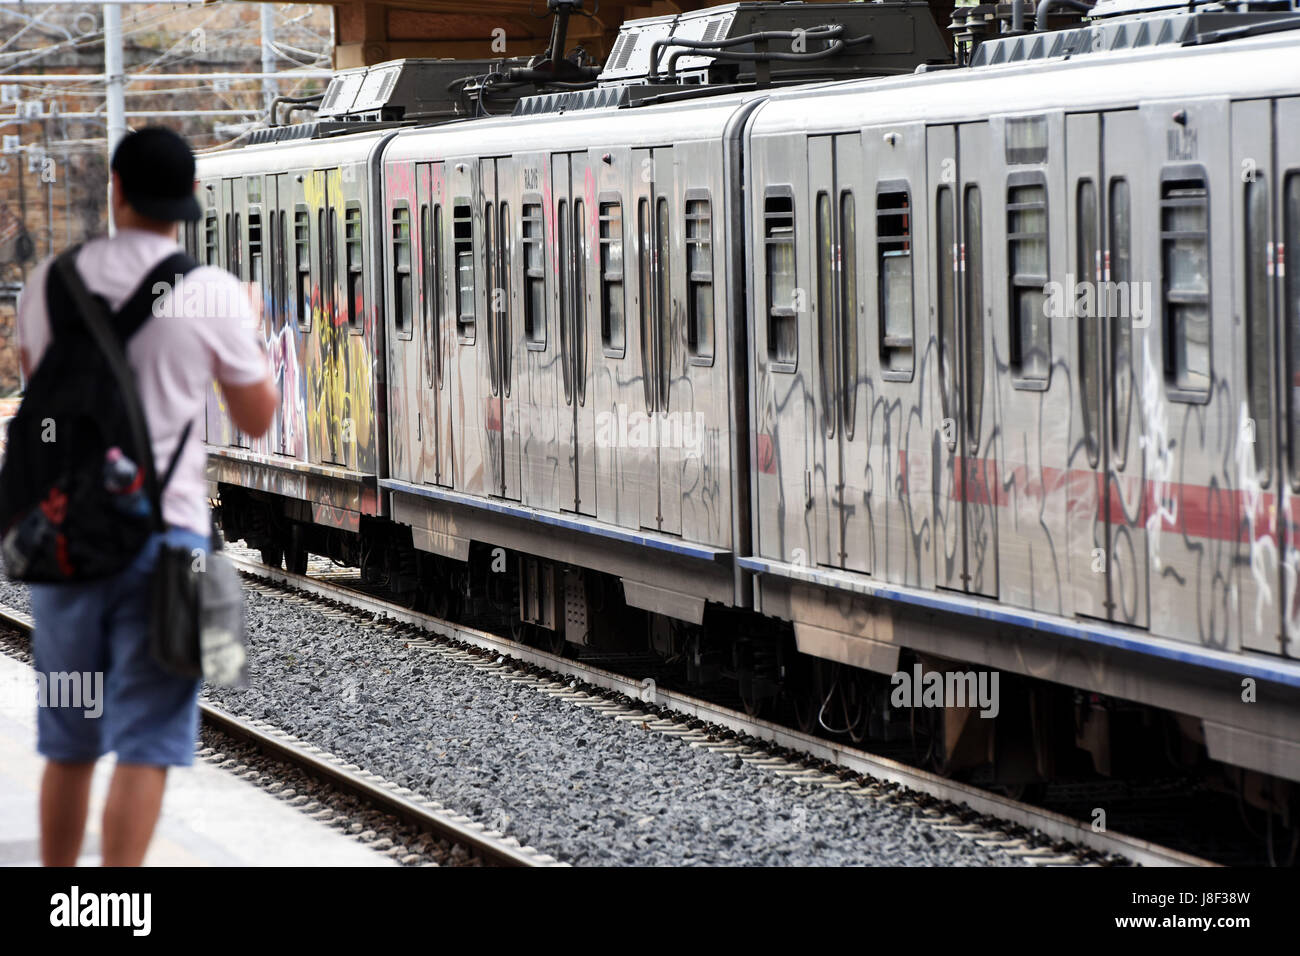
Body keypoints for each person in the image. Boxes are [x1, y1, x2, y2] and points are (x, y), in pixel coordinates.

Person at [15, 126, 278, 866]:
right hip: (172, 552)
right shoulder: (212, 293)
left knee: (69, 740)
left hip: (68, 547)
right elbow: (258, 420)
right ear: (189, 201)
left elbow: (37, 385)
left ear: (116, 191)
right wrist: (247, 335)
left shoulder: (49, 287)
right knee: (148, 742)